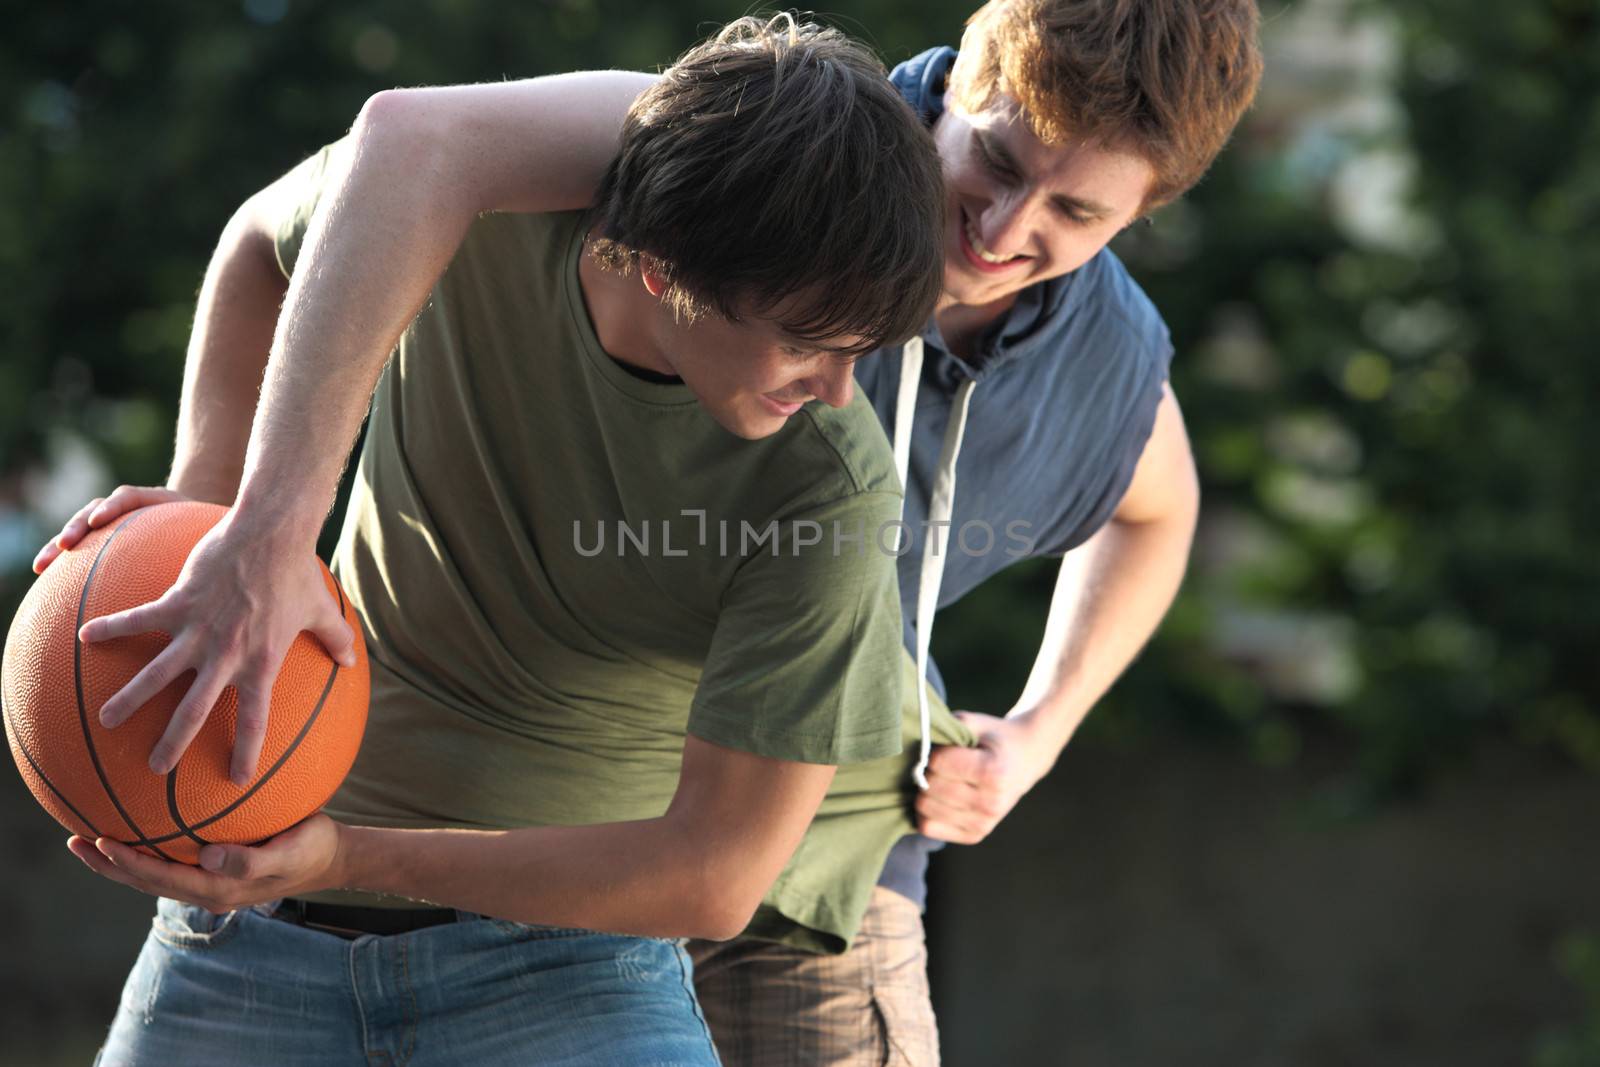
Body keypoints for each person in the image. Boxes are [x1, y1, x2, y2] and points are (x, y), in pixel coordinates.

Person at [43, 1, 1266, 1063]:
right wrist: (242, 524)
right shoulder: (766, 154)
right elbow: (398, 147)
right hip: (538, 821)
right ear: (956, 87)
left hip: (804, 837)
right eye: (994, 161)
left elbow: (1159, 512)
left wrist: (1038, 731)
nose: (1002, 228)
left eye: (1073, 210)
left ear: (1137, 217)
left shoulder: (1081, 367)